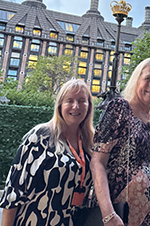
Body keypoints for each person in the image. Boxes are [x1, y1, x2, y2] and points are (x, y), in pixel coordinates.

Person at [0, 78, 94, 226]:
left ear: (89, 106)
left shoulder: (90, 142)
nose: (76, 106)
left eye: (81, 100)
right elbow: (13, 192)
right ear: (59, 105)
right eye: (69, 100)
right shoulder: (40, 136)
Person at [91, 57, 150, 226]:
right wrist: (108, 214)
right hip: (118, 214)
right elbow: (97, 162)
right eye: (147, 78)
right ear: (137, 80)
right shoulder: (119, 108)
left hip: (145, 217)